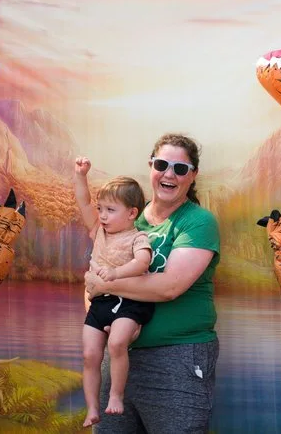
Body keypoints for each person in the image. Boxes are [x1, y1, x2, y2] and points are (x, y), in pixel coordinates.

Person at [85, 133, 220, 434]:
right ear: (151, 166)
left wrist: (103, 287)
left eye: (180, 168)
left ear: (192, 175)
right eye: (162, 164)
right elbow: (95, 275)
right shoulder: (127, 218)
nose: (169, 174)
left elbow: (169, 286)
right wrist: (100, 310)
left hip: (177, 360)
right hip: (120, 357)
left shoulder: (198, 222)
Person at [74, 157, 154, 428]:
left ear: (132, 213)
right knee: (89, 355)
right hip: (100, 302)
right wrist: (80, 176)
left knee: (118, 342)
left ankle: (116, 395)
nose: (103, 215)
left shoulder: (138, 237)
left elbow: (142, 262)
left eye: (110, 209)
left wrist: (116, 274)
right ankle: (93, 408)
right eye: (101, 209)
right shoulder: (99, 232)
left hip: (130, 300)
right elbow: (84, 203)